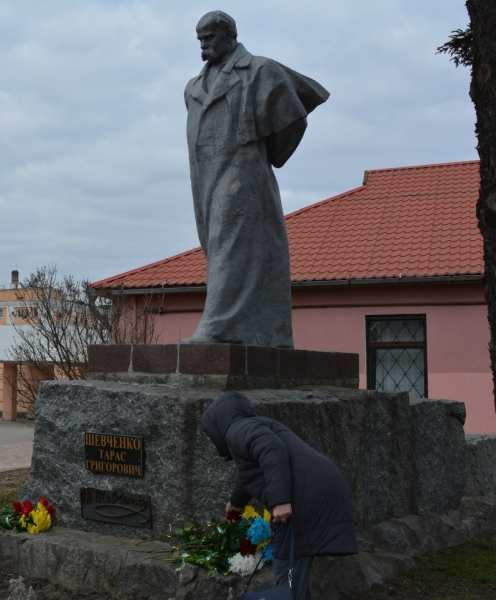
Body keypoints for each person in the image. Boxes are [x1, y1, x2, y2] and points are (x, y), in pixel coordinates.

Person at [182, 11, 329, 347]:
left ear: (229, 34)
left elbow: (294, 119)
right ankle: (265, 333)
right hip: (204, 177)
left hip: (244, 173)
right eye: (200, 39)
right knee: (218, 245)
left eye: (209, 37)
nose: (203, 44)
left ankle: (217, 328)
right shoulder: (192, 88)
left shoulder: (260, 71)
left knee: (233, 242)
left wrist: (267, 157)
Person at [200, 391, 357, 600]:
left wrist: (280, 501)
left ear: (218, 422)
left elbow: (272, 450)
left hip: (305, 496)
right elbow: (251, 475)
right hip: (317, 488)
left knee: (287, 567)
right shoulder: (248, 427)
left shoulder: (238, 430)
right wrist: (235, 504)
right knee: (293, 573)